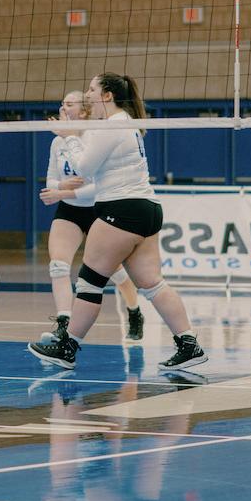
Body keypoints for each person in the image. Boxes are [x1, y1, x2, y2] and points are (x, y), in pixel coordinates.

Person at [28, 74, 207, 372]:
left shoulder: (113, 125)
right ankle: (189, 344)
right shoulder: (125, 123)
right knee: (151, 283)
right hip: (147, 208)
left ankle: (67, 347)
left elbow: (84, 165)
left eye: (92, 89)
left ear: (108, 96)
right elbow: (94, 172)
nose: (87, 95)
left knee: (89, 281)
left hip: (121, 210)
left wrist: (68, 136)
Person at [38, 90, 144, 343]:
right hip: (69, 211)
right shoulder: (58, 141)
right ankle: (64, 323)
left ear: (84, 111)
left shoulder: (97, 136)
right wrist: (62, 187)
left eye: (70, 104)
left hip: (98, 208)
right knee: (58, 265)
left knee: (115, 271)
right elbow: (51, 179)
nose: (63, 108)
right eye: (62, 103)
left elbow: (100, 184)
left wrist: (67, 193)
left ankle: (134, 311)